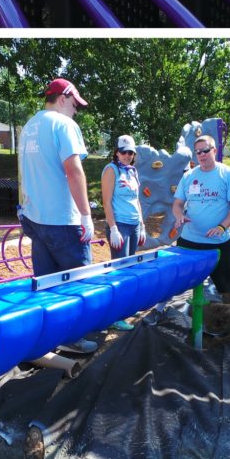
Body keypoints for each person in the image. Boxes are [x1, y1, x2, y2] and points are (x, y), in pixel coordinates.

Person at [17, 77, 98, 353]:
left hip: (35, 218)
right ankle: (73, 338)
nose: (76, 110)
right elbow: (74, 171)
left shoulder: (29, 126)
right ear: (64, 97)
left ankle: (50, 337)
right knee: (78, 284)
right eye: (75, 104)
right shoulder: (64, 124)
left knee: (48, 285)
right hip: (63, 221)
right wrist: (86, 216)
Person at [171, 134, 230, 332]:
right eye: (198, 152)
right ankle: (160, 309)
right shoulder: (189, 176)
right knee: (175, 276)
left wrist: (221, 227)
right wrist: (179, 216)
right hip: (190, 239)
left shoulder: (227, 174)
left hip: (219, 241)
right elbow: (178, 203)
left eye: (206, 150)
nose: (202, 155)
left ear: (214, 150)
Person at [101, 134, 147, 331]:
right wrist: (113, 228)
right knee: (119, 272)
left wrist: (142, 225)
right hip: (119, 225)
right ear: (116, 152)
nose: (127, 155)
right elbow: (106, 201)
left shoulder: (133, 172)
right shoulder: (111, 170)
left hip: (134, 224)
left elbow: (137, 200)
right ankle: (114, 316)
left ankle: (126, 307)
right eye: (123, 152)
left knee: (130, 271)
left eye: (130, 152)